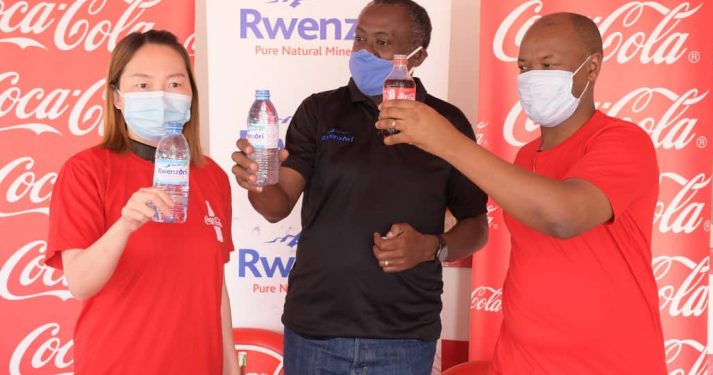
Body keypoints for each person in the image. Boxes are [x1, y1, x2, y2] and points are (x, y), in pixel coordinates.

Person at [376, 12, 667, 375]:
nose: (532, 78)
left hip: (608, 363)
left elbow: (563, 217)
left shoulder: (623, 141)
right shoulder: (526, 156)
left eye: (548, 65)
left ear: (592, 68)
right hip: (522, 361)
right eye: (525, 67)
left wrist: (448, 142)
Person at [231, 1, 488, 373]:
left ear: (417, 56)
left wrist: (433, 247)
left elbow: (477, 227)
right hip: (315, 329)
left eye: (382, 43)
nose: (364, 52)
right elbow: (276, 206)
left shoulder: (447, 123)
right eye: (360, 39)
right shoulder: (319, 111)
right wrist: (259, 180)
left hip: (404, 335)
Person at [45, 30, 240, 375]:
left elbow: (214, 287)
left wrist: (229, 366)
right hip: (118, 364)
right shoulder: (86, 171)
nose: (163, 96)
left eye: (175, 84)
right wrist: (124, 226)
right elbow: (80, 283)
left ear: (191, 95)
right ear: (117, 97)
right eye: (143, 85)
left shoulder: (212, 176)